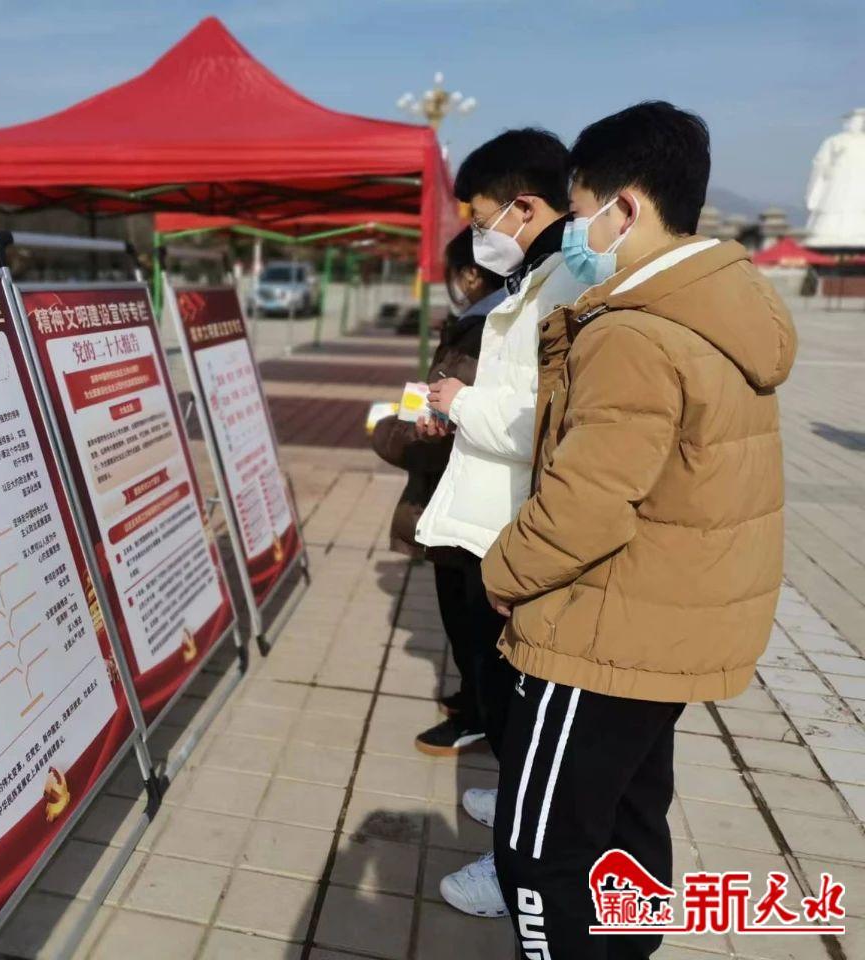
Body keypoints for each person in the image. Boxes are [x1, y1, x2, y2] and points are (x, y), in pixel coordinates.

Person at [482, 101, 796, 960]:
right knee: (626, 826)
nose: (574, 234)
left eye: (579, 212)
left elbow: (585, 502)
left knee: (539, 853)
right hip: (665, 623)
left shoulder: (635, 333)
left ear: (624, 208)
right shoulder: (725, 309)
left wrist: (502, 574)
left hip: (598, 630)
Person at [413, 128, 589, 919]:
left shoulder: (567, 284)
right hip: (494, 522)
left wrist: (462, 403)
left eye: (483, 216)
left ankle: (519, 867)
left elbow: (548, 419)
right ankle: (517, 808)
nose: (480, 233)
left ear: (523, 206)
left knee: (520, 701)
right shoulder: (539, 275)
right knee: (502, 688)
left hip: (519, 534)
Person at [371, 227, 505, 727]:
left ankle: (480, 716)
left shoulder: (484, 332)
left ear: (469, 274)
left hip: (457, 502)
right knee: (466, 617)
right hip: (459, 501)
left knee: (470, 619)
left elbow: (443, 429)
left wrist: (388, 434)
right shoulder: (483, 324)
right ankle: (475, 700)